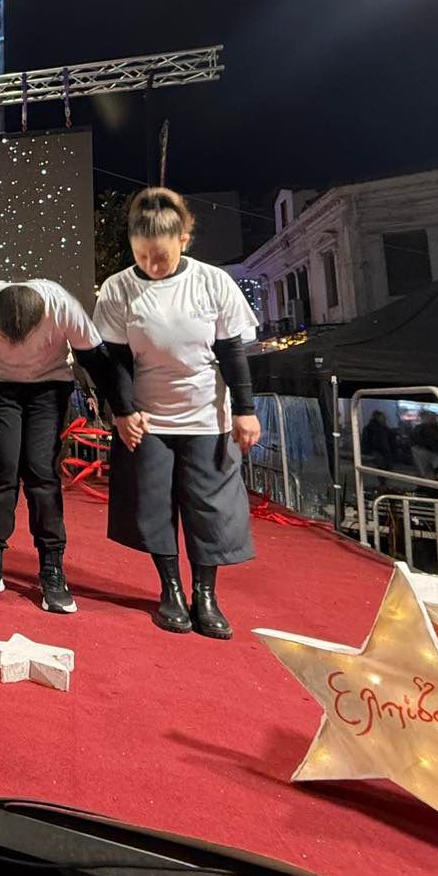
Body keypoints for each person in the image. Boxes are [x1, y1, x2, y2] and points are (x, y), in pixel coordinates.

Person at [92, 188, 261, 641]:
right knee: (152, 506)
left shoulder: (212, 282)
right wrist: (123, 411)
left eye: (162, 256)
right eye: (142, 255)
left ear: (184, 239)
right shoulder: (118, 288)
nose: (153, 264)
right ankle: (170, 589)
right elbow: (116, 361)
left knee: (211, 508)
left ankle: (205, 595)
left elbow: (232, 352)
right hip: (148, 419)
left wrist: (245, 411)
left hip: (207, 415)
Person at [0, 279, 123, 614]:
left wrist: (124, 411)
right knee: (2, 470)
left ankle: (52, 568)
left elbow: (95, 361)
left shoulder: (62, 306)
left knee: (41, 472)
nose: (16, 347)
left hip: (49, 386)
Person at [412, 410, 438, 478]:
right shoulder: (419, 429)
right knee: (424, 473)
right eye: (430, 417)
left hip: (437, 453)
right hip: (424, 452)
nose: (433, 419)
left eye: (433, 417)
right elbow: (416, 441)